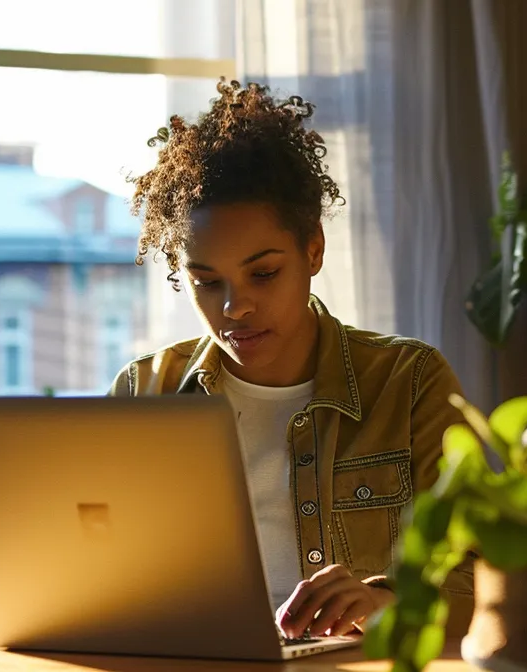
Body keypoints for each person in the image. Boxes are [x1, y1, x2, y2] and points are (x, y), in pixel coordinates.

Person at [111, 79, 477, 642]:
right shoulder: (144, 393)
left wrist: (380, 601)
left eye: (263, 273)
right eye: (207, 282)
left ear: (313, 249)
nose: (235, 307)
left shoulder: (409, 383)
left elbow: (481, 581)